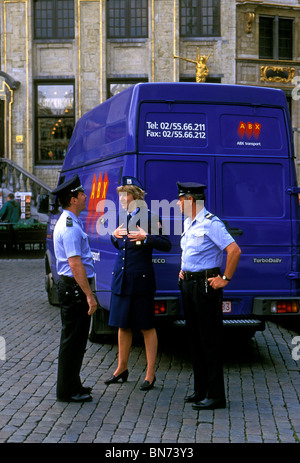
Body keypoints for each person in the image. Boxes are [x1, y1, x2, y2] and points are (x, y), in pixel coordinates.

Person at [177, 181, 241, 410]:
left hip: (206, 286)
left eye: (181, 199)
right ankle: (200, 389)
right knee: (194, 339)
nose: (178, 203)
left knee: (209, 340)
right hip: (190, 284)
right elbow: (191, 252)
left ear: (191, 201)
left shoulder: (211, 223)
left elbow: (234, 250)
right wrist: (184, 268)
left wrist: (225, 279)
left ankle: (215, 395)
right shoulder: (189, 222)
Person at [104, 176, 171, 391]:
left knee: (146, 327)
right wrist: (114, 237)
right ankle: (121, 369)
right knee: (122, 326)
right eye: (120, 195)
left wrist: (147, 236)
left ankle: (150, 374)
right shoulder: (122, 216)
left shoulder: (151, 218)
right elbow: (120, 244)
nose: (122, 199)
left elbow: (166, 244)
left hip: (141, 281)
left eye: (125, 195)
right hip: (122, 279)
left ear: (136, 196)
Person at [52, 174, 98, 402]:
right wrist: (89, 295)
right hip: (75, 288)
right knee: (72, 340)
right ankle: (67, 391)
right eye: (81, 194)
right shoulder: (69, 225)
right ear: (72, 199)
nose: (85, 196)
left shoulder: (71, 220)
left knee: (78, 340)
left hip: (74, 287)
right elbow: (75, 263)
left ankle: (73, 383)